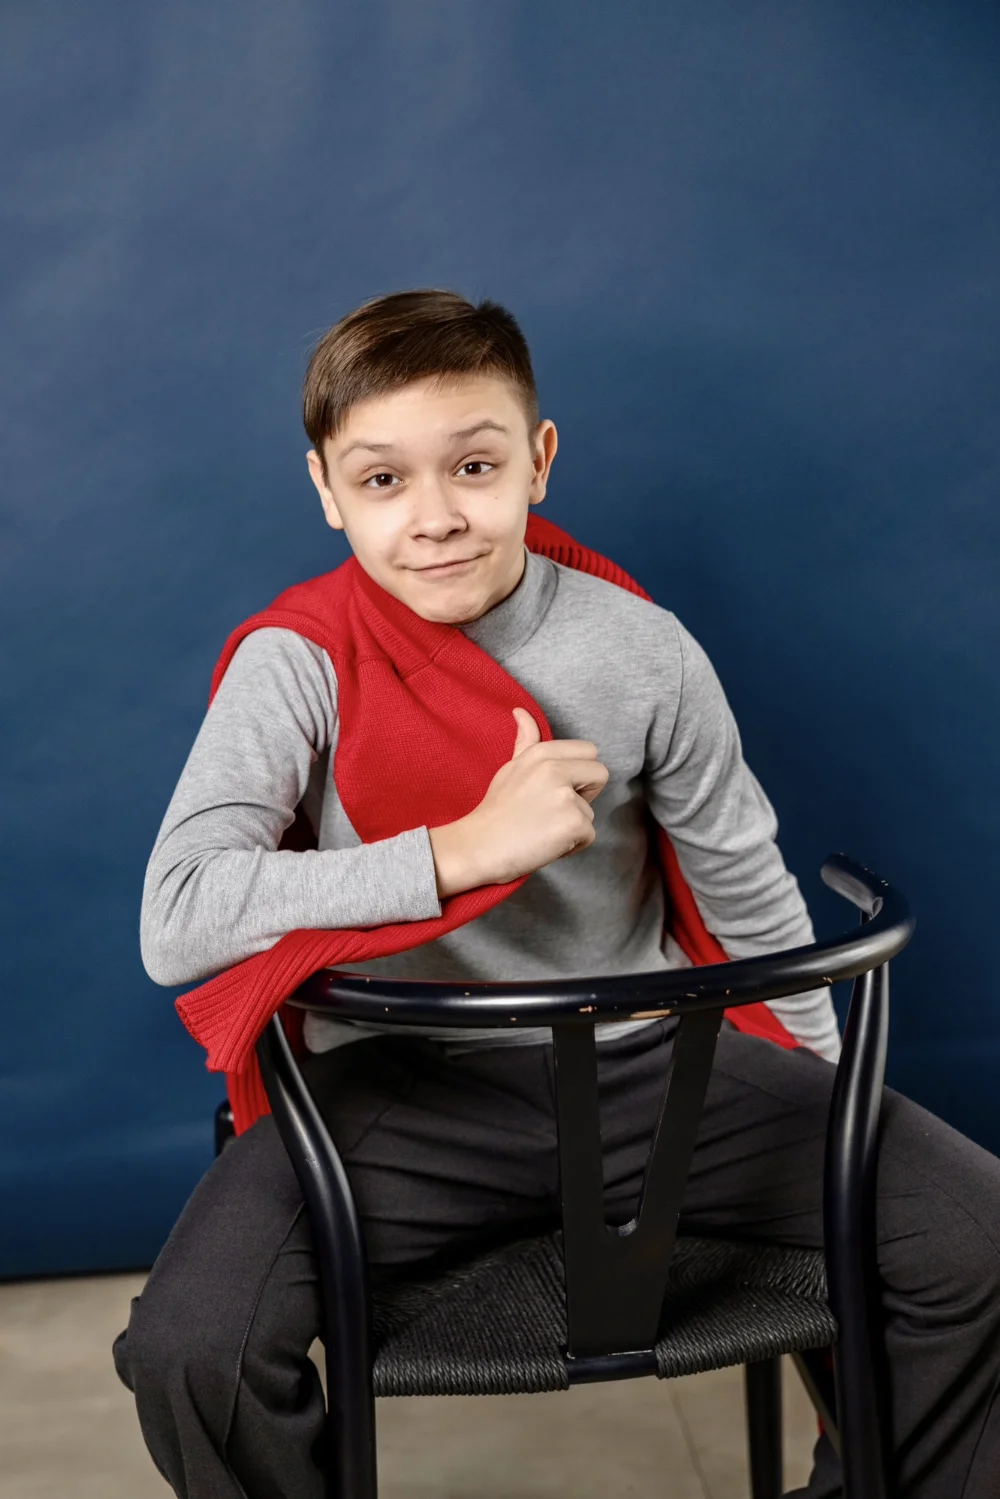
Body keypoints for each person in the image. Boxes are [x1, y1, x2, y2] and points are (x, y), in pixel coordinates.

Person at [114, 290, 1000, 1498]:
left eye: (474, 465)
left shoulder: (642, 648)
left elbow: (744, 887)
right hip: (398, 1093)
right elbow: (178, 913)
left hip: (658, 1072)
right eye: (382, 480)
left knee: (975, 1238)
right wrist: (459, 847)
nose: (434, 515)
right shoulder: (297, 661)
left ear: (537, 459)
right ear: (326, 489)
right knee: (190, 1347)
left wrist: (835, 1104)